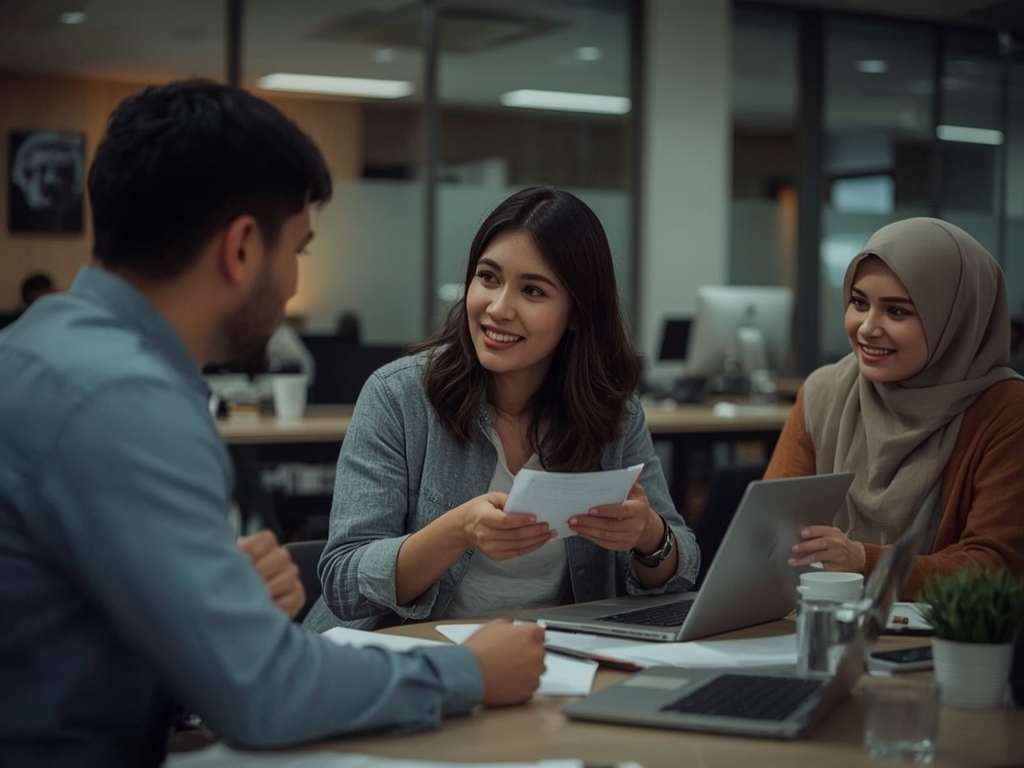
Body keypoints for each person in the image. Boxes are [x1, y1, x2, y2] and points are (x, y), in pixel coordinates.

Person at [0, 80, 545, 768]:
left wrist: (204, 598)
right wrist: (469, 673)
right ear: (241, 248)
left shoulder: (41, 346)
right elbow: (263, 693)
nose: (292, 282)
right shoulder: (123, 399)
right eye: (299, 250)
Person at [307, 186, 699, 633]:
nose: (497, 308)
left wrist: (649, 538)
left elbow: (681, 566)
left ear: (576, 314)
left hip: (551, 658)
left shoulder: (614, 414)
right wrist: (456, 532)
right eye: (488, 278)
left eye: (532, 290)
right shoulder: (398, 396)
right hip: (406, 663)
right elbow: (342, 580)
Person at [765, 217, 1024, 599]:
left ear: (954, 321)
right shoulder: (824, 393)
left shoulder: (1005, 411)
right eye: (859, 302)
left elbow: (995, 568)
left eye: (897, 311)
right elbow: (768, 536)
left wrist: (861, 561)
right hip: (820, 626)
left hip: (949, 645)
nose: (867, 327)